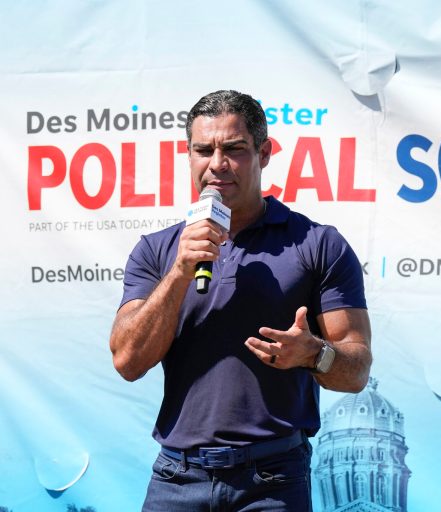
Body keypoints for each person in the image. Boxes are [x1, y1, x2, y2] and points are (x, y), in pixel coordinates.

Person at [109, 89, 372, 511]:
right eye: (203, 150)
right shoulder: (158, 251)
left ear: (264, 153)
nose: (217, 164)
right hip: (177, 479)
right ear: (189, 154)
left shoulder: (319, 244)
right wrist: (181, 269)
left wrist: (314, 354)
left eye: (234, 149)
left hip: (273, 481)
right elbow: (127, 361)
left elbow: (356, 370)